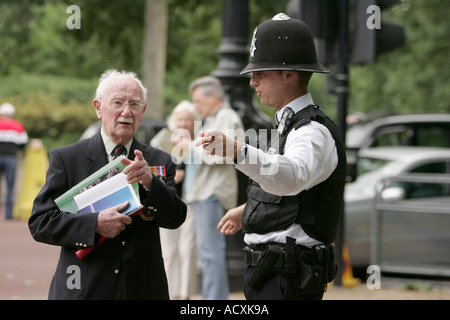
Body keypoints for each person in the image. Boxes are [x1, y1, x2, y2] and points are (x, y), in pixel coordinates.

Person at [196, 14, 347, 300]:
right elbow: (294, 191)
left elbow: (290, 176)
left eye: (261, 73)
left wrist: (237, 151)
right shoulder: (290, 124)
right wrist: (247, 210)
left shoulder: (311, 131)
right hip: (275, 274)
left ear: (288, 75)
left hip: (287, 277)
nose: (252, 82)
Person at [28, 69, 186, 300]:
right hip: (83, 288)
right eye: (117, 103)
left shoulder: (160, 160)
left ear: (142, 111)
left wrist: (150, 183)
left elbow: (175, 218)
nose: (126, 112)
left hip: (141, 289)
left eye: (134, 104)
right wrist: (94, 224)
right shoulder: (67, 159)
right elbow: (40, 222)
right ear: (98, 107)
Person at [185, 76, 244, 300]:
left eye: (199, 101)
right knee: (207, 253)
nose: (196, 106)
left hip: (212, 194)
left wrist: (190, 147)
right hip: (205, 194)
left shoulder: (227, 117)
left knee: (210, 253)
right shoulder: (214, 119)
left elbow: (221, 153)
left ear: (214, 97)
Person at [151, 100, 200, 300]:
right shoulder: (162, 140)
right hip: (167, 202)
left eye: (188, 119)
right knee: (168, 251)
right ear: (174, 120)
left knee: (188, 250)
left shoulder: (198, 143)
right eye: (180, 118)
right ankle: (170, 294)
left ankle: (185, 294)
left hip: (190, 202)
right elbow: (151, 168)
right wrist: (170, 178)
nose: (184, 122)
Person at [0, 103, 28, 220]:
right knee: (10, 187)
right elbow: (23, 143)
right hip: (11, 158)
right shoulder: (18, 126)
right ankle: (8, 214)